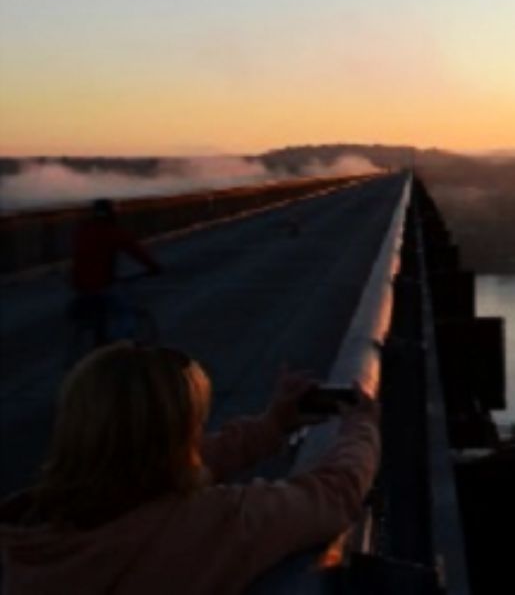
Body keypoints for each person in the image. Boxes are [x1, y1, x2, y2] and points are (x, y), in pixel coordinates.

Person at [0, 342, 381, 594]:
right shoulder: (212, 525)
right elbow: (336, 493)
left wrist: (272, 427)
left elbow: (159, 462)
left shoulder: (28, 530)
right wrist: (362, 426)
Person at [68, 199, 163, 345]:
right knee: (125, 312)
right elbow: (136, 252)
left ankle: (96, 341)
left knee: (96, 310)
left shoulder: (82, 230)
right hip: (103, 284)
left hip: (79, 285)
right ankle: (118, 345)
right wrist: (154, 267)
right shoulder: (112, 232)